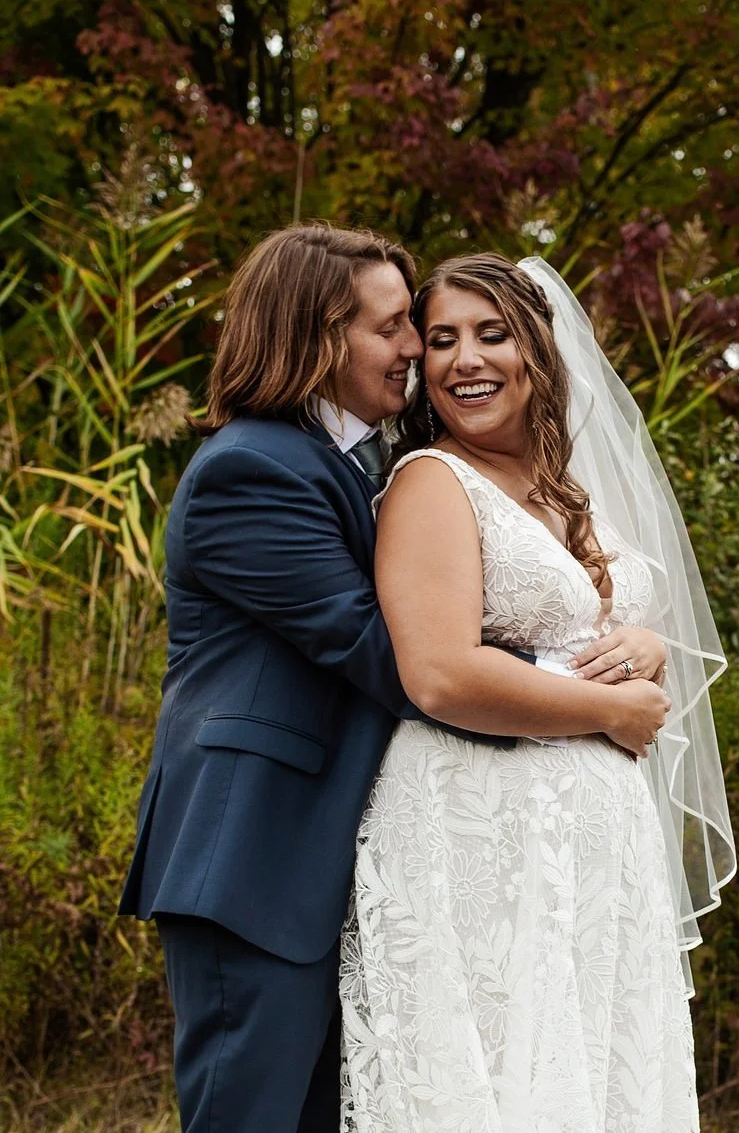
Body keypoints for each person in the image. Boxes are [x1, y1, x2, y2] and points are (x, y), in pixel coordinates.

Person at [118, 224, 669, 1133]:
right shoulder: (250, 471)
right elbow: (395, 651)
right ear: (316, 336)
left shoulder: (355, 459)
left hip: (347, 859)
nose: (415, 348)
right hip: (257, 855)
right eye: (394, 328)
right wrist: (600, 687)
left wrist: (634, 641)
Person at [341, 253, 736, 1132]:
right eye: (440, 340)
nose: (463, 360)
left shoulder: (572, 491)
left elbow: (592, 628)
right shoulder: (432, 483)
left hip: (596, 850)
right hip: (480, 830)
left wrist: (645, 650)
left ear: (540, 350)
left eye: (492, 334)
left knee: (597, 1075)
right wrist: (615, 708)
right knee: (499, 1081)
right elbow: (439, 673)